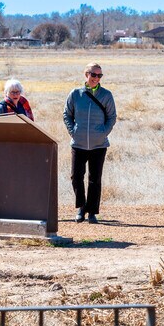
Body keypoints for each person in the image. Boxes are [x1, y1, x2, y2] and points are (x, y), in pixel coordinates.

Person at [63, 63, 117, 224]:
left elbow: (112, 117)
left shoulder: (106, 95)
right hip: (78, 144)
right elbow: (67, 114)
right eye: (93, 75)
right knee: (76, 176)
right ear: (86, 74)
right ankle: (81, 207)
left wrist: (103, 133)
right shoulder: (75, 94)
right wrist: (74, 132)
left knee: (95, 179)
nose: (96, 78)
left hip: (99, 145)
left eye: (99, 76)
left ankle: (92, 212)